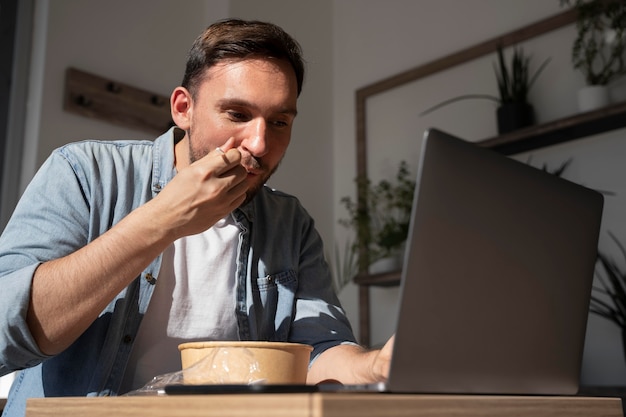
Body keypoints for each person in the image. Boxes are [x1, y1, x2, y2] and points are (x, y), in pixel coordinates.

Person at [0, 18, 393, 417]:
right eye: (237, 114)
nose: (259, 143)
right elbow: (4, 335)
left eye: (279, 122)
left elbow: (316, 353)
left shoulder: (289, 222)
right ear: (183, 109)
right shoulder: (85, 172)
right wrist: (162, 220)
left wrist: (374, 367)